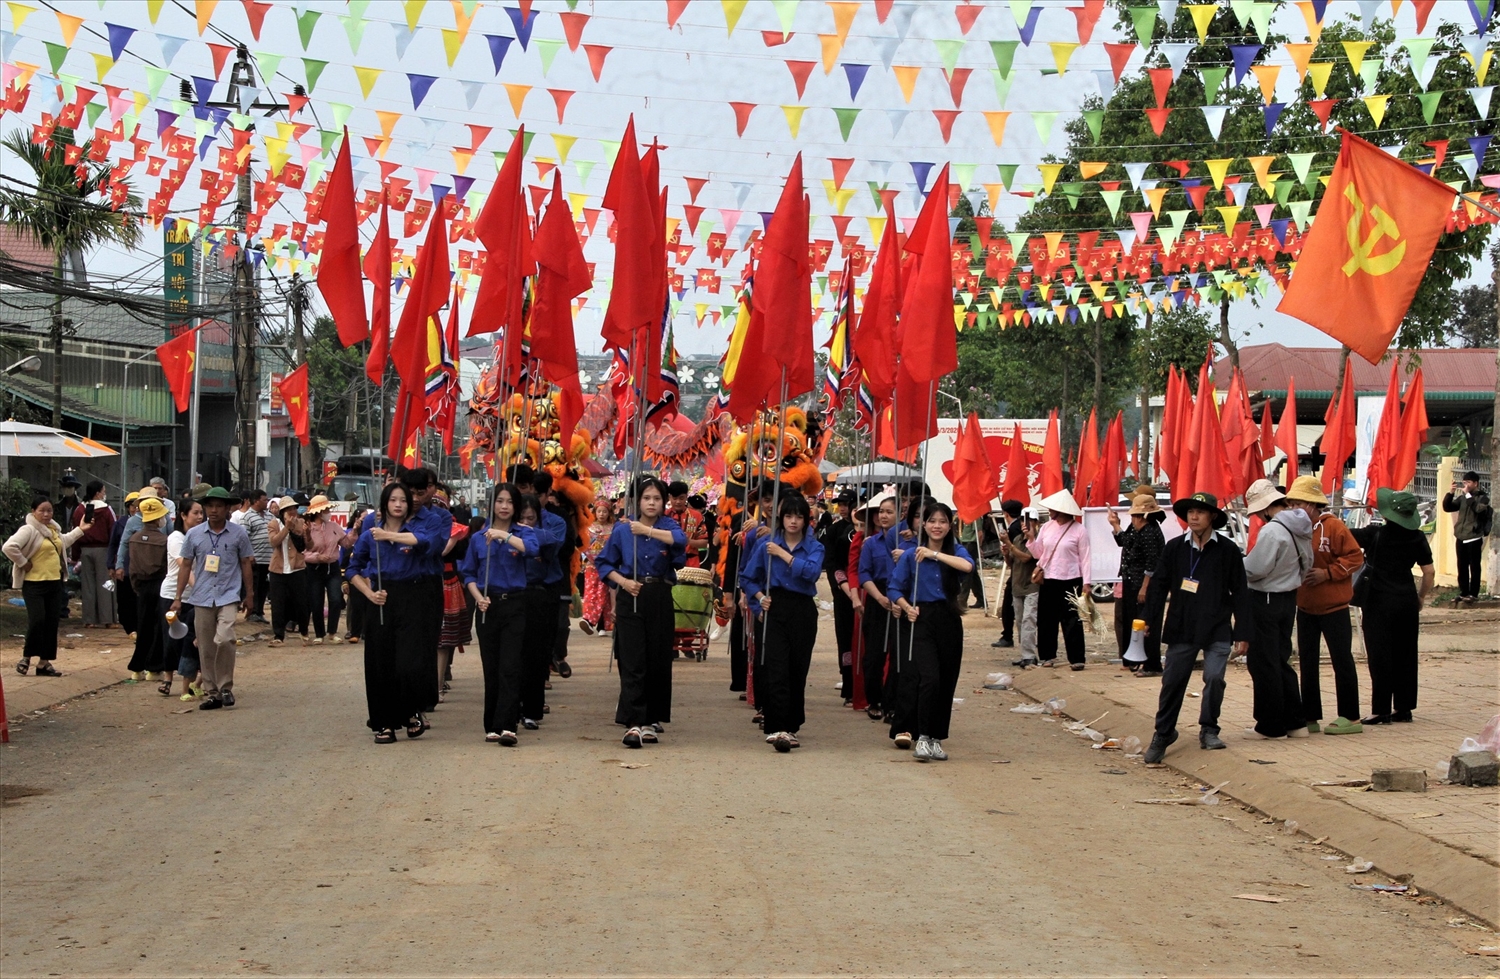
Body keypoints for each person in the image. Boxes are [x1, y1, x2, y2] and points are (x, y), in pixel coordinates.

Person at [1142, 493, 1254, 764]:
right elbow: (1158, 586)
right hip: (1182, 625)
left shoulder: (1227, 550)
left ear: (1212, 516)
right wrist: (1148, 619)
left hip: (1217, 626)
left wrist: (1243, 632)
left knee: (1214, 678)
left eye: (1200, 512)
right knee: (1172, 682)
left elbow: (1240, 591)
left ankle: (1209, 729)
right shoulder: (1175, 548)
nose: (1194, 517)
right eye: (1190, 512)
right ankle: (1163, 733)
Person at [595, 476, 686, 749]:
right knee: (633, 658)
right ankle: (633, 721)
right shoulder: (622, 530)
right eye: (646, 498)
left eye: (657, 498)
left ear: (664, 502)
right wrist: (623, 582)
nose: (651, 503)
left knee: (658, 657)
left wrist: (645, 531)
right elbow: (604, 564)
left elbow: (680, 541)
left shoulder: (668, 525)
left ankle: (651, 720)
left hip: (658, 595)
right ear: (638, 500)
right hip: (629, 596)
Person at [351, 483, 438, 744]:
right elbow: (353, 569)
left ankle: (411, 711)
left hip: (411, 597)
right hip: (380, 598)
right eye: (393, 500)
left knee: (409, 663)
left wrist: (389, 536)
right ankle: (384, 723)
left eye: (403, 500)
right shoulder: (369, 535)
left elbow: (423, 542)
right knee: (380, 662)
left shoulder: (414, 529)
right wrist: (369, 594)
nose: (398, 504)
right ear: (385, 503)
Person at [888, 501, 974, 762]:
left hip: (948, 619)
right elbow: (894, 588)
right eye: (932, 521)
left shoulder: (955, 551)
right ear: (922, 524)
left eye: (943, 521)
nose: (937, 526)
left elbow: (968, 567)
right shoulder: (911, 555)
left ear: (950, 526)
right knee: (930, 678)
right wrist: (905, 607)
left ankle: (937, 737)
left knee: (947, 680)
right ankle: (922, 736)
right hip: (921, 619)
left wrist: (934, 554)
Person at [741, 495, 824, 752]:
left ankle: (791, 725)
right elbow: (748, 578)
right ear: (781, 517)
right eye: (789, 516)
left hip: (802, 609)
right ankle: (777, 726)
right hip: (775, 607)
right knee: (776, 666)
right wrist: (759, 600)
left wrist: (785, 556)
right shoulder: (766, 544)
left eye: (799, 516)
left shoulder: (814, 546)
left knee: (797, 669)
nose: (793, 521)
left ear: (805, 520)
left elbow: (812, 573)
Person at [1284, 477, 1365, 735]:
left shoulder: (1333, 527)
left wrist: (1328, 573)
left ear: (1313, 504)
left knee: (1341, 660)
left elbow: (1355, 557)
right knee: (1307, 662)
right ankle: (1310, 715)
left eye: (1299, 503)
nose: (1294, 507)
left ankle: (1351, 716)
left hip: (1334, 607)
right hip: (1305, 607)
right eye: (1292, 503)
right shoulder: (1293, 529)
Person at [458, 484, 537, 746]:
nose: (504, 506)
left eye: (509, 502)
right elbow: (468, 573)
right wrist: (479, 598)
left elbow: (533, 550)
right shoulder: (478, 538)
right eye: (500, 501)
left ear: (516, 507)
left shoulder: (522, 534)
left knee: (511, 665)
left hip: (515, 604)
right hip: (487, 605)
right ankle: (491, 723)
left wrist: (505, 537)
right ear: (492, 504)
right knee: (491, 665)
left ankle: (508, 724)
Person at [1351, 488, 1434, 725]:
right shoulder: (1417, 537)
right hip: (1407, 600)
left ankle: (1381, 710)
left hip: (1377, 601)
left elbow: (1344, 536)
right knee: (1406, 653)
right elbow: (1429, 572)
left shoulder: (1374, 534)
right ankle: (1404, 708)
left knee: (1380, 655)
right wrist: (1421, 597)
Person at [170, 487, 254, 710]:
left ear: (227, 508)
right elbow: (186, 565)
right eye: (209, 506)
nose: (213, 510)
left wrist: (250, 594)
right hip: (202, 596)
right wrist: (178, 597)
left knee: (225, 639)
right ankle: (212, 693)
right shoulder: (194, 535)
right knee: (206, 647)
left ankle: (225, 686)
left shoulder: (238, 533)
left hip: (228, 595)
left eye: (218, 506)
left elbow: (246, 563)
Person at [1241, 479, 1313, 741]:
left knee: (1263, 662)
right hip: (1288, 597)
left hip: (1266, 598)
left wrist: (1240, 565)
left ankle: (1270, 725)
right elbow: (1308, 562)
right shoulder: (1301, 527)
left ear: (1266, 507)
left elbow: (1257, 568)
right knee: (1281, 659)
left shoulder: (1273, 531)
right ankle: (1295, 721)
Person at [7, 495, 92, 676]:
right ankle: (27, 657)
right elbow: (9, 547)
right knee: (37, 620)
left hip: (54, 583)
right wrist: (23, 562)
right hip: (34, 584)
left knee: (51, 623)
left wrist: (81, 529)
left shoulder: (53, 530)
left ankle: (44, 663)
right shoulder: (28, 530)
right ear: (33, 512)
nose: (46, 514)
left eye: (49, 511)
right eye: (42, 511)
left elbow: (64, 543)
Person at [517, 491, 566, 728]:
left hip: (541, 593)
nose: (526, 523)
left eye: (531, 518)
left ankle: (532, 709)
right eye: (522, 519)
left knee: (537, 654)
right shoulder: (501, 529)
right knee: (513, 654)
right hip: (513, 595)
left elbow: (552, 542)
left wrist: (523, 532)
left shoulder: (554, 526)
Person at [1108, 492, 1166, 677]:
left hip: (1144, 583)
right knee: (1135, 622)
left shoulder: (1150, 531)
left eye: (1137, 516)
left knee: (1147, 623)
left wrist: (1144, 587)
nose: (1133, 519)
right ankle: (1138, 659)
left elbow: (1152, 562)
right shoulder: (1136, 529)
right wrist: (1115, 525)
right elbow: (1124, 541)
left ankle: (1151, 663)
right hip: (1131, 580)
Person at [1032, 490, 1092, 670]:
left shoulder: (1079, 530)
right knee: (1046, 619)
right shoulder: (1046, 527)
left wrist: (1087, 583)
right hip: (1049, 578)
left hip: (1071, 579)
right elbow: (1038, 553)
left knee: (1071, 619)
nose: (1050, 511)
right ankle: (1047, 656)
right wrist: (1029, 539)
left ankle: (1076, 658)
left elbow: (1086, 557)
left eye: (1053, 509)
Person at [856, 492, 899, 723]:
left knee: (899, 655)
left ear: (899, 515)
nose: (883, 516)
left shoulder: (906, 542)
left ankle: (892, 702)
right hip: (877, 596)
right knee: (874, 654)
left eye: (889, 512)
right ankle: (874, 700)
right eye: (881, 511)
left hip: (900, 599)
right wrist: (880, 598)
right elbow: (864, 573)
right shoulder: (871, 543)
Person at [124, 495, 172, 684]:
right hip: (160, 584)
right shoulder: (165, 540)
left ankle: (136, 668)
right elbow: (167, 567)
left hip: (142, 586)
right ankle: (154, 668)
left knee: (142, 626)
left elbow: (132, 568)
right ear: (158, 519)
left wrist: (136, 586)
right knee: (159, 626)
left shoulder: (134, 539)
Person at [818, 488, 857, 707]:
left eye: (847, 503)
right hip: (843, 593)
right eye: (839, 504)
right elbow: (831, 563)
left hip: (868, 591)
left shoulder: (869, 529)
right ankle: (848, 684)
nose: (843, 508)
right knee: (845, 638)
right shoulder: (833, 531)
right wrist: (842, 587)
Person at [161, 500, 204, 700]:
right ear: (183, 515)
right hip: (173, 596)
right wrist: (202, 591)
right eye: (195, 513)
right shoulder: (176, 538)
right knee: (172, 640)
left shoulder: (200, 537)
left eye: (201, 513)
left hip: (194, 597)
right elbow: (184, 566)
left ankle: (193, 683)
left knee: (193, 641)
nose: (200, 516)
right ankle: (167, 679)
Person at [301, 495, 346, 644]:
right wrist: (317, 557)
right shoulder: (308, 528)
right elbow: (304, 552)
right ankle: (319, 633)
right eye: (326, 509)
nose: (328, 512)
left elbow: (345, 542)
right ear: (319, 512)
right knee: (316, 601)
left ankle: (332, 632)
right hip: (315, 568)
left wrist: (355, 531)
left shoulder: (334, 526)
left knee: (336, 599)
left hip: (332, 567)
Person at [70, 480, 116, 628]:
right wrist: (113, 556)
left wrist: (75, 555)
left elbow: (75, 532)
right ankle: (107, 619)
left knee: (88, 585)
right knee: (105, 584)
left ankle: (89, 619)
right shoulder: (107, 510)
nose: (104, 494)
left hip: (85, 549)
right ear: (98, 493)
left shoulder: (79, 510)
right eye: (103, 491)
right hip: (103, 550)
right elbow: (113, 533)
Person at [1442, 470, 1491, 605]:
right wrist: (1450, 493)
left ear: (1476, 483)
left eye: (1468, 482)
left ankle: (1473, 594)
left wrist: (1468, 495)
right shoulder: (1463, 498)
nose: (1466, 485)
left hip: (1474, 537)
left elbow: (1478, 509)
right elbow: (1448, 507)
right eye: (1464, 483)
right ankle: (1463, 592)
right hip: (1461, 536)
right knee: (1461, 565)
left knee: (1474, 566)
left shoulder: (1483, 497)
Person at [267, 496, 310, 646]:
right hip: (278, 569)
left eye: (294, 509)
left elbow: (307, 546)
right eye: (289, 509)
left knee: (301, 602)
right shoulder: (274, 524)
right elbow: (274, 542)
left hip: (297, 568)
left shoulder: (301, 523)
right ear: (282, 512)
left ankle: (304, 631)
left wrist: (307, 533)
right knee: (278, 604)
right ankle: (278, 635)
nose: (292, 512)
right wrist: (287, 528)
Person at [1002, 507, 1040, 668]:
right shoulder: (1017, 539)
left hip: (1032, 585)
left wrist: (1009, 545)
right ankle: (1025, 653)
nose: (1025, 524)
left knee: (1028, 620)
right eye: (1023, 521)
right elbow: (1012, 562)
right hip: (1017, 585)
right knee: (1020, 621)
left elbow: (1026, 558)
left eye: (1029, 521)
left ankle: (1029, 655)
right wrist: (1005, 552)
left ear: (1036, 523)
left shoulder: (1037, 540)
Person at [580, 496, 616, 636]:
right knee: (590, 593)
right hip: (591, 565)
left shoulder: (613, 528)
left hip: (607, 566)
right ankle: (589, 618)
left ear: (609, 513)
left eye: (604, 511)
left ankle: (599, 623)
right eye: (599, 511)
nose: (601, 514)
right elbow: (584, 545)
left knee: (604, 594)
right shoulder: (589, 528)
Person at [107, 491, 141, 637]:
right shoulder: (120, 523)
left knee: (138, 599)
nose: (135, 509)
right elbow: (114, 545)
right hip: (125, 568)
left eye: (137, 505)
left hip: (141, 568)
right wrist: (112, 565)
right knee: (125, 599)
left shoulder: (149, 522)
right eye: (132, 506)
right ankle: (129, 627)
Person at [993, 499, 1024, 649]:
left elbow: (1017, 554)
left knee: (1008, 606)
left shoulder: (1014, 529)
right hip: (1019, 570)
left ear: (1006, 514)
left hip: (1019, 572)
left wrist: (1007, 547)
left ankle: (1007, 636)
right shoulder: (1021, 526)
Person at [241, 489, 272, 624]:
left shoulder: (270, 516)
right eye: (264, 500)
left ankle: (260, 611)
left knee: (264, 587)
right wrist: (249, 555)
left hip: (269, 559)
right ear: (256, 501)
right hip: (255, 559)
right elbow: (244, 538)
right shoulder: (247, 517)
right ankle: (253, 612)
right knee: (254, 586)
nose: (267, 502)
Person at [667, 480, 709, 567]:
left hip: (691, 563)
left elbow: (705, 542)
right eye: (674, 498)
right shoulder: (664, 515)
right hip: (668, 562)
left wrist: (689, 541)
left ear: (686, 497)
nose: (678, 502)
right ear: (669, 497)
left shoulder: (696, 516)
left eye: (681, 498)